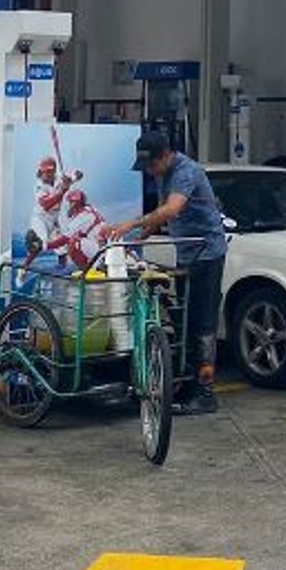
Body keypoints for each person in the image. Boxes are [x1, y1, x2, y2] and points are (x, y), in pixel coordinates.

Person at [102, 129, 229, 416]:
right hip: (187, 253)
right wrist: (138, 238)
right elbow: (161, 211)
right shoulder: (163, 174)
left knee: (202, 323)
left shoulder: (186, 171)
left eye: (152, 165)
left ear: (166, 156)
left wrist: (129, 223)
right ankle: (187, 382)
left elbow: (172, 209)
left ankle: (205, 392)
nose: (150, 172)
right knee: (184, 319)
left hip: (207, 253)